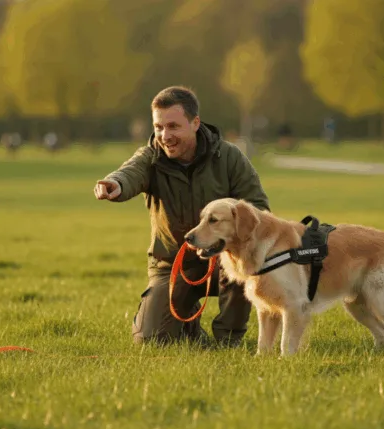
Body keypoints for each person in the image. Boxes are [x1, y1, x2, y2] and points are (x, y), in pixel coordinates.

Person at [93, 86, 271, 346]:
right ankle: (189, 326)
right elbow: (130, 173)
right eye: (158, 127)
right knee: (150, 340)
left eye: (173, 126)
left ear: (195, 123)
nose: (165, 136)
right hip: (172, 264)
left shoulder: (229, 156)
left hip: (225, 261)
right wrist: (115, 185)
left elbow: (259, 210)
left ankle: (228, 341)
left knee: (245, 258)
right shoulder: (150, 157)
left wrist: (232, 243)